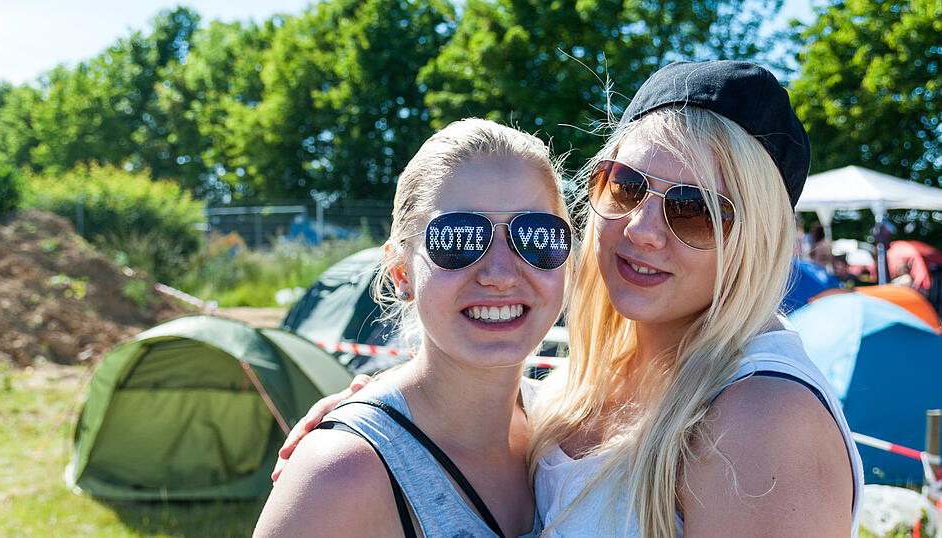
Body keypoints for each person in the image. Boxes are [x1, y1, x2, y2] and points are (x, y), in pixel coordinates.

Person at [274, 61, 863, 537]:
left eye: (694, 210)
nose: (642, 230)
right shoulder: (567, 400)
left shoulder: (763, 419)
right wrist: (380, 414)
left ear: (758, 239)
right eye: (627, 186)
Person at [254, 118, 573, 537]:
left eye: (536, 236)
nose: (501, 273)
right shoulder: (343, 473)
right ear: (400, 272)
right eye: (458, 237)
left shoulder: (574, 432)